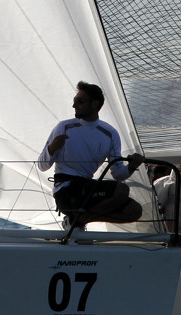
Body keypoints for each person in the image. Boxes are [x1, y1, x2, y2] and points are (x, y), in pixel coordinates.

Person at [38, 81, 145, 227]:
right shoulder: (64, 127)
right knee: (121, 190)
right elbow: (42, 166)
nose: (74, 106)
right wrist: (51, 149)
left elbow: (118, 174)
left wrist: (131, 166)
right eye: (74, 101)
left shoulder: (110, 133)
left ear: (95, 104)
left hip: (88, 189)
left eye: (80, 102)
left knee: (134, 210)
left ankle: (78, 221)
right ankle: (77, 221)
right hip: (66, 191)